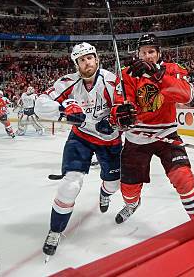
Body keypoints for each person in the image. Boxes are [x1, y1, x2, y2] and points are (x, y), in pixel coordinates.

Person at [34, 42, 127, 257]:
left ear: (97, 58)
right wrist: (64, 109)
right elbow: (40, 104)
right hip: (81, 137)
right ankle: (55, 230)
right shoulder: (68, 82)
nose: (87, 62)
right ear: (76, 64)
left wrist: (114, 122)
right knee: (70, 184)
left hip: (110, 141)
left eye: (90, 58)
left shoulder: (112, 82)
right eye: (82, 60)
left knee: (113, 185)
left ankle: (105, 194)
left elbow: (126, 111)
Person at [114, 33, 194, 224]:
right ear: (138, 54)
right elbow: (119, 106)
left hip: (166, 134)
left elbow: (187, 95)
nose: (148, 56)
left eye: (152, 52)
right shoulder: (127, 73)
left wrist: (158, 75)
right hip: (137, 137)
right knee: (128, 192)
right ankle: (132, 204)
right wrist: (122, 115)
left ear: (159, 53)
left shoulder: (172, 69)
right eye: (144, 52)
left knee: (183, 178)